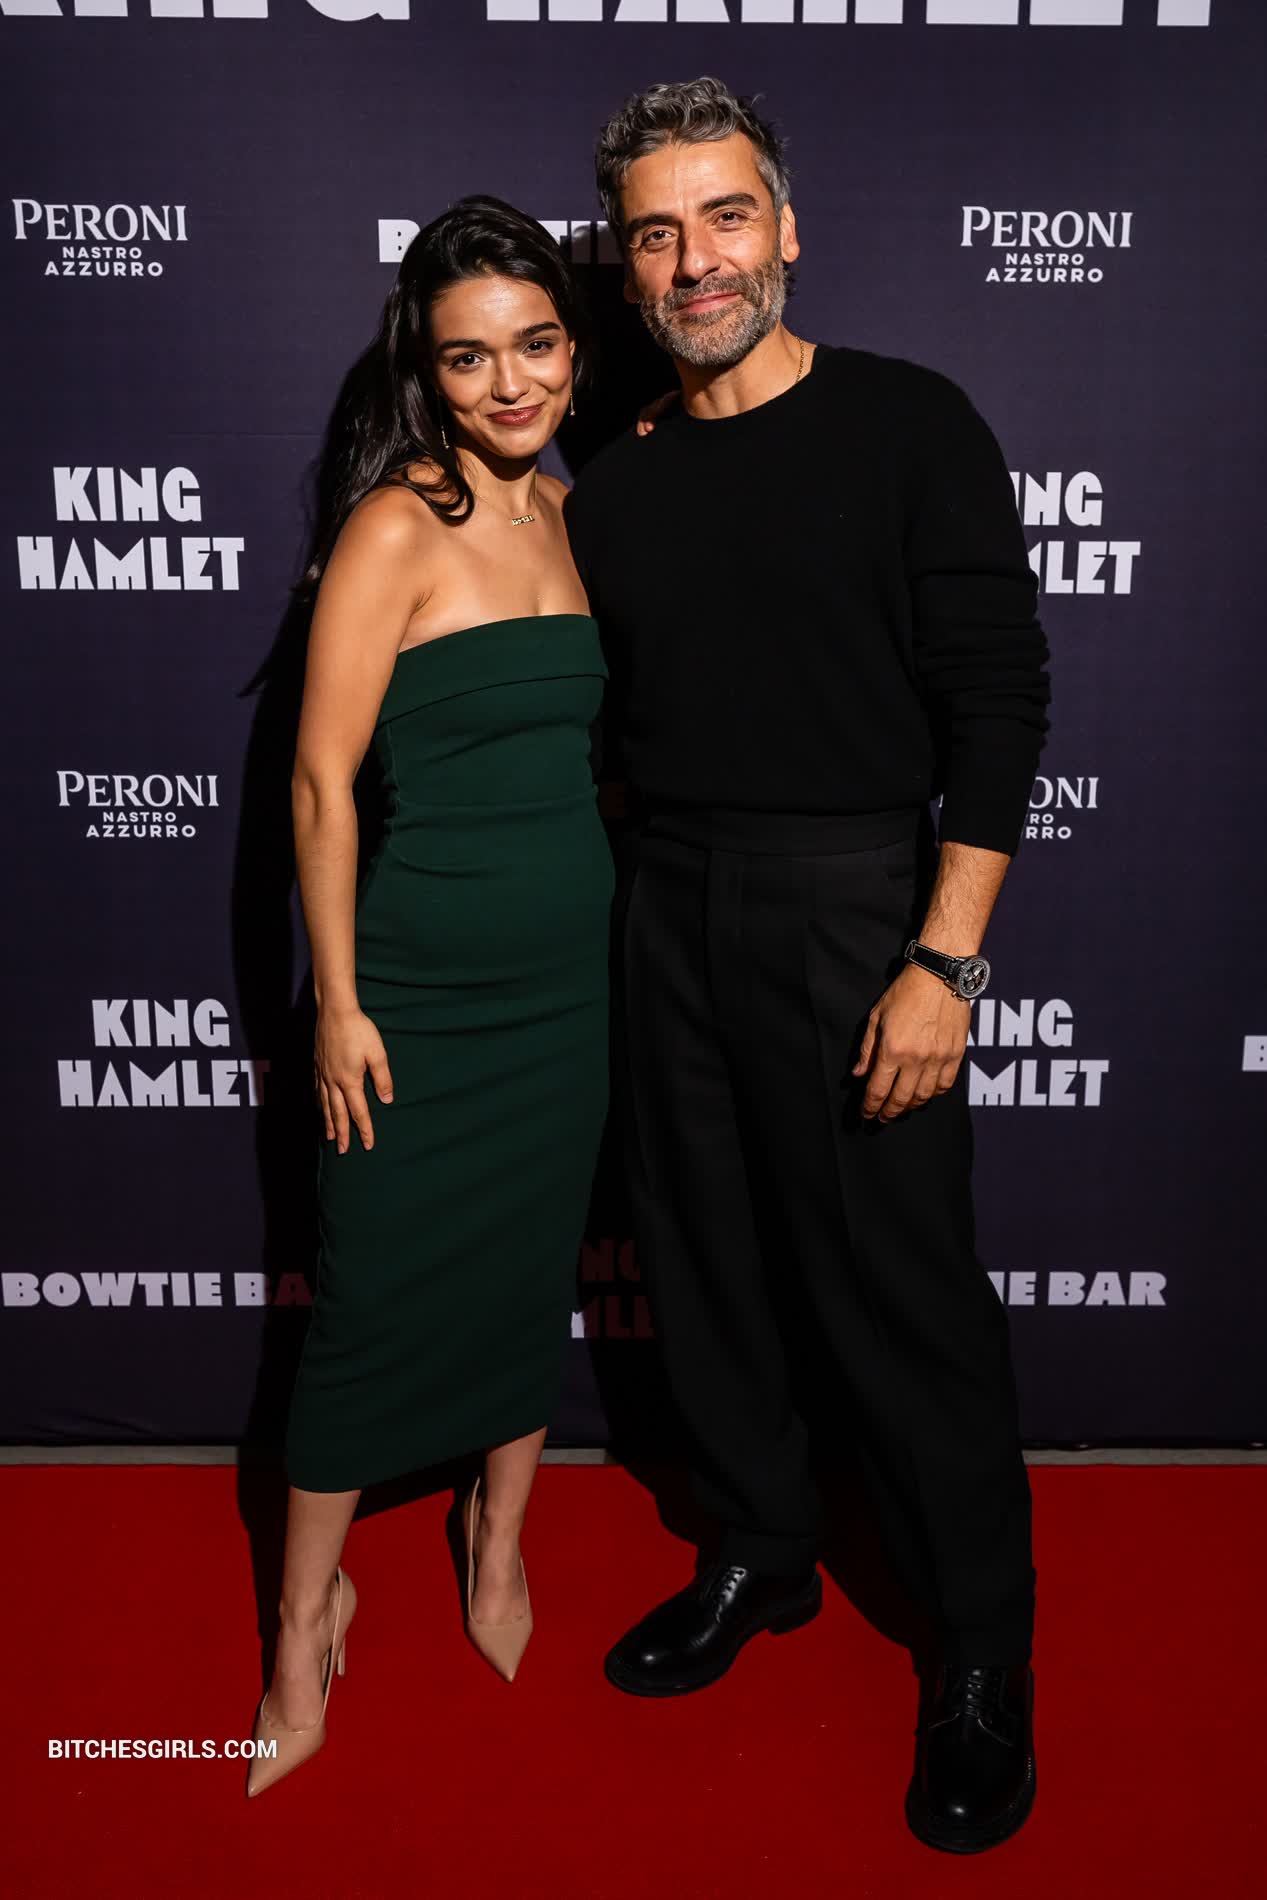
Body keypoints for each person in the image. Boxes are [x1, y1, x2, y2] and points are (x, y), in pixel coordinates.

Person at [563, 79, 1051, 1855]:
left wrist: (946, 963)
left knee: (903, 1295)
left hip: (860, 904)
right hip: (666, 898)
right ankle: (760, 1548)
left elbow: (999, 702)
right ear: (627, 267)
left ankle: (980, 1653)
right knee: (703, 1260)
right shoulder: (615, 486)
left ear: (786, 225)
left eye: (725, 216)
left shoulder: (912, 422)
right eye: (657, 232)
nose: (695, 259)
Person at [244, 196, 613, 1797]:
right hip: (416, 994)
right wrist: (337, 1002)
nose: (508, 382)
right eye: (470, 357)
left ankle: (497, 1538)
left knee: (534, 1273)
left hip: (568, 992)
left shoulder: (578, 515)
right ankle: (301, 1624)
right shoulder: (396, 526)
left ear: (574, 352)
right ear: (428, 369)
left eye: (534, 345)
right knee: (369, 1303)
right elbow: (320, 785)